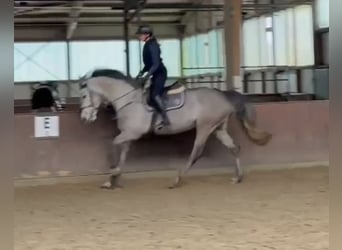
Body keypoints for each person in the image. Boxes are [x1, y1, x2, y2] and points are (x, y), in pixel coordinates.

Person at [136, 24, 170, 128]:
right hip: (154, 73)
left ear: (147, 34)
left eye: (140, 35)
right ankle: (154, 117)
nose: (139, 36)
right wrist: (141, 73)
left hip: (160, 73)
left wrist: (147, 76)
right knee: (149, 96)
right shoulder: (147, 45)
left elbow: (156, 64)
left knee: (155, 95)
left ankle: (165, 118)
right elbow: (148, 64)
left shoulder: (153, 45)